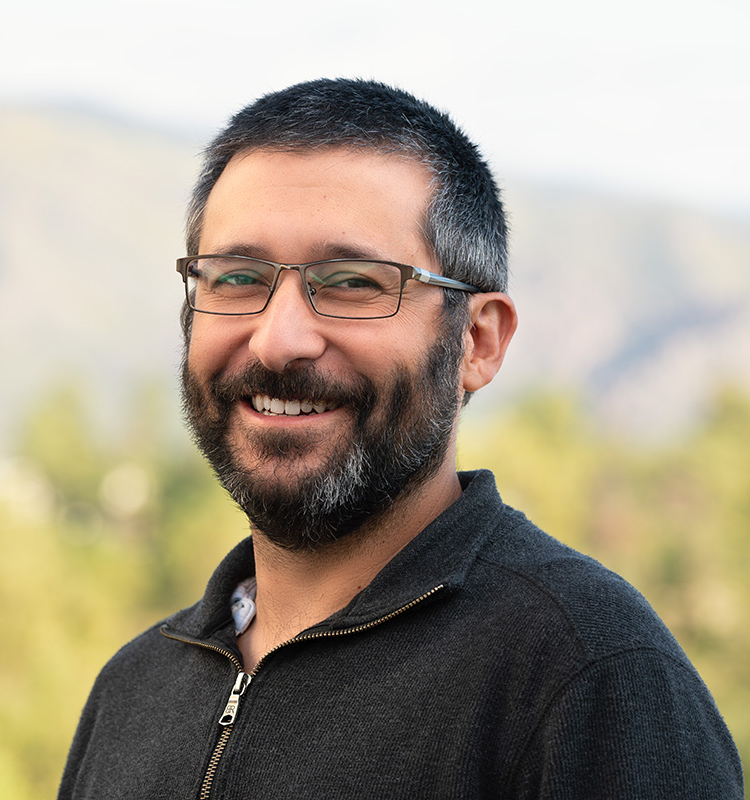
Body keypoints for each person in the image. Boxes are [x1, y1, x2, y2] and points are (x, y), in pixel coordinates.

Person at [58, 79, 743, 799]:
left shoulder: (586, 674)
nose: (279, 339)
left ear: (477, 341)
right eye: (235, 277)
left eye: (352, 281)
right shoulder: (135, 691)